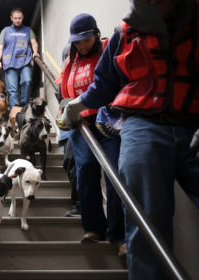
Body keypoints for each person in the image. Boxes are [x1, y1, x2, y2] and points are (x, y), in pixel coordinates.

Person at [62, 1, 199, 279]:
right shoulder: (123, 33)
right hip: (142, 125)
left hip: (192, 120)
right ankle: (106, 233)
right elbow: (103, 84)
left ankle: (115, 234)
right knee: (145, 220)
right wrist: (77, 104)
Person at [60, 14, 126, 255]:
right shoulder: (71, 60)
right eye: (77, 42)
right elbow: (64, 90)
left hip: (108, 123)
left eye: (85, 39)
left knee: (114, 174)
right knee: (85, 171)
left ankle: (119, 236)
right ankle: (94, 228)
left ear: (95, 33)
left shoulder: (108, 48)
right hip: (81, 126)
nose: (82, 45)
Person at [0, 7, 39, 110]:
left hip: (25, 62)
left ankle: (24, 107)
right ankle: (15, 111)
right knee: (12, 90)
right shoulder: (5, 31)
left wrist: (35, 52)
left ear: (23, 17)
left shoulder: (28, 30)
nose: (17, 20)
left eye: (19, 18)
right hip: (9, 63)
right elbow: (0, 47)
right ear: (11, 18)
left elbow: (34, 42)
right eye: (15, 18)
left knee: (27, 81)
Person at [55, 43, 80, 217]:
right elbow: (63, 100)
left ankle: (81, 204)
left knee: (79, 164)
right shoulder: (62, 78)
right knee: (69, 161)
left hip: (86, 123)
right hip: (69, 126)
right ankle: (78, 204)